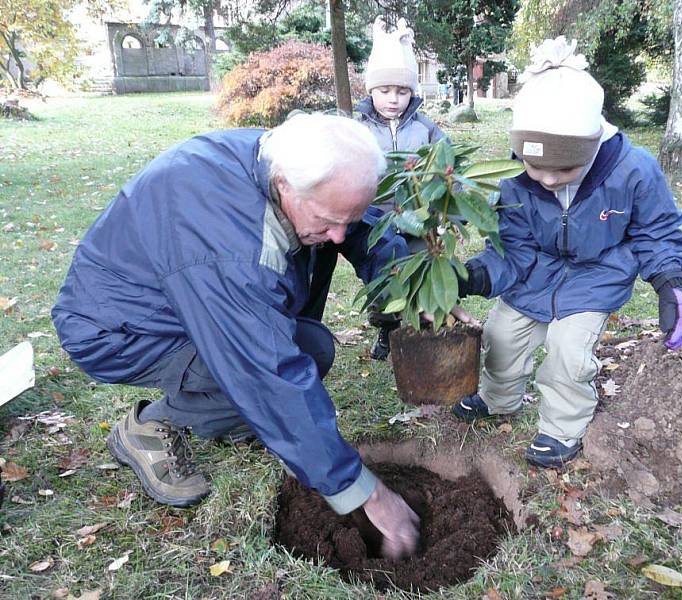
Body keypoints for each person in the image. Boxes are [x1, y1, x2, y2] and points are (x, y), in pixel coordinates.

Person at [51, 114, 420, 559]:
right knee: (281, 372)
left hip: (180, 291)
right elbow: (265, 373)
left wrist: (413, 289)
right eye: (327, 221)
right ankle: (152, 425)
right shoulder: (230, 247)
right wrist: (366, 493)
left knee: (312, 348)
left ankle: (239, 418)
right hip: (118, 328)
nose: (338, 235)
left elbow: (359, 227)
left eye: (347, 218)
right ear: (285, 186)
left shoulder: (291, 161)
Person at [451, 37, 682, 469]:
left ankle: (561, 428)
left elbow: (656, 229)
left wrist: (668, 281)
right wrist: (474, 277)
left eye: (562, 169)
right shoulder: (512, 180)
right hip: (535, 275)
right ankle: (498, 398)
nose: (545, 179)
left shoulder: (633, 170)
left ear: (591, 148)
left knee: (568, 353)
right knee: (502, 337)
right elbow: (512, 249)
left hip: (596, 277)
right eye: (534, 166)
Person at [353, 16, 449, 361]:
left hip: (418, 217)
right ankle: (386, 327)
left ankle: (423, 330)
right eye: (385, 91)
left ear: (412, 92)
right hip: (375, 219)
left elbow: (445, 163)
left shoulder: (425, 127)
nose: (393, 99)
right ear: (371, 90)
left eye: (402, 91)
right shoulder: (358, 127)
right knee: (383, 279)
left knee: (421, 271)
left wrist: (442, 208)